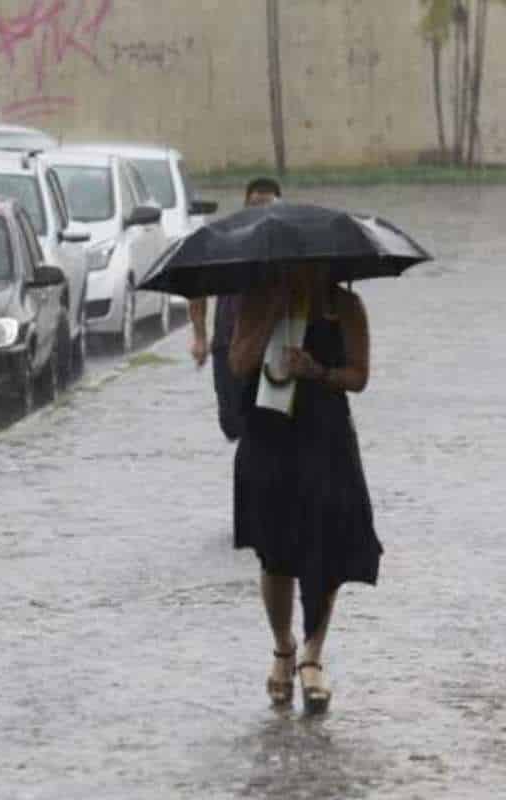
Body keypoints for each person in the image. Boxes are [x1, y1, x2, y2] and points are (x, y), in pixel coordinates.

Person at [228, 263, 382, 712]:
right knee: (275, 554)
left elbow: (359, 376)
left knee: (326, 548)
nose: (303, 272)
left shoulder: (345, 306)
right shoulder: (257, 300)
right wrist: (271, 318)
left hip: (326, 439)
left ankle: (313, 656)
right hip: (269, 439)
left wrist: (317, 371)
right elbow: (238, 364)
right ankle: (283, 649)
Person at [189, 177, 282, 441]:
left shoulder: (288, 245)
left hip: (274, 344)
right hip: (227, 344)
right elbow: (197, 287)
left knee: (266, 423)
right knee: (231, 423)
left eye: (269, 206)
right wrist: (199, 337)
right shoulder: (225, 241)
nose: (261, 212)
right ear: (244, 206)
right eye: (255, 206)